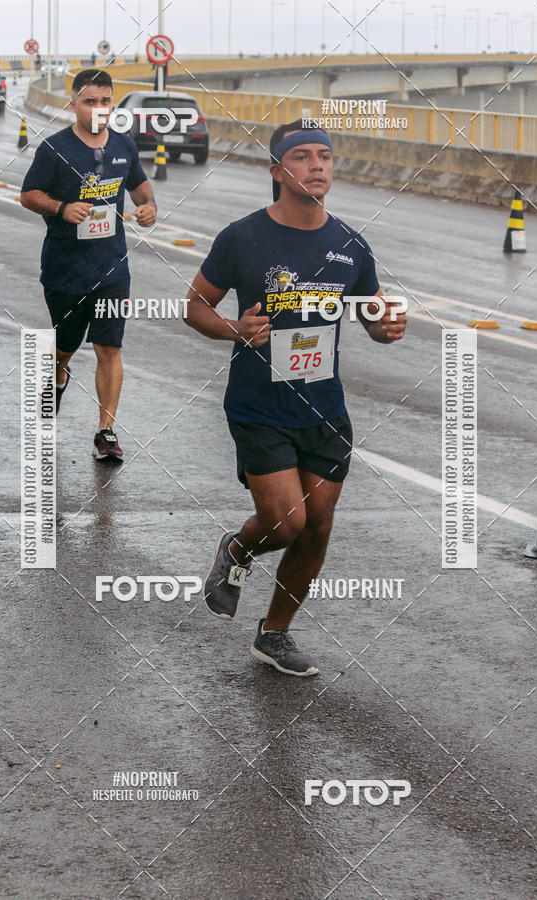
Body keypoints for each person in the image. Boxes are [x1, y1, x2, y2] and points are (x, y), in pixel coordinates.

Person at [184, 120, 407, 676]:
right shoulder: (243, 237)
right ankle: (236, 551)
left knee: (319, 526)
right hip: (259, 405)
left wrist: (387, 326)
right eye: (302, 156)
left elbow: (373, 315)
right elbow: (194, 306)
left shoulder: (349, 244)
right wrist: (236, 329)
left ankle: (275, 634)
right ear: (277, 170)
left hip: (324, 407)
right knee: (285, 523)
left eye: (325, 157)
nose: (316, 166)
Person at [21, 69, 156, 461]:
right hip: (66, 268)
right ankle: (60, 372)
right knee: (66, 344)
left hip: (112, 267)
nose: (99, 109)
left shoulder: (124, 146)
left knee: (108, 348)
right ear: (73, 104)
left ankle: (106, 431)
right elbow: (28, 195)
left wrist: (148, 208)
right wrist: (61, 208)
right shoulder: (55, 149)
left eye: (105, 101)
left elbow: (140, 187)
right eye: (90, 101)